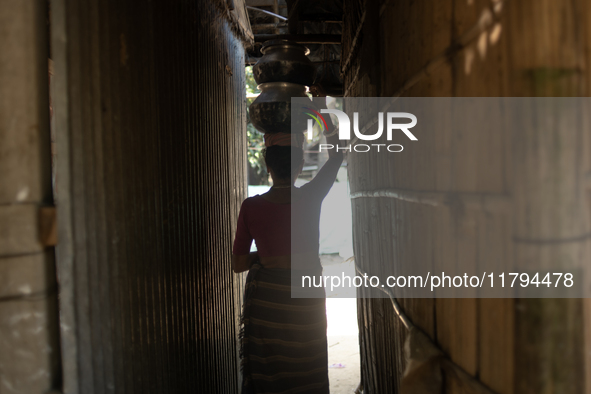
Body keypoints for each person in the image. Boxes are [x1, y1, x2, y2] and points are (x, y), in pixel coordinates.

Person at [232, 89, 343, 394]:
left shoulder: (251, 208)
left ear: (267, 167)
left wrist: (264, 258)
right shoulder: (311, 196)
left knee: (272, 372)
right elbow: (338, 155)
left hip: (269, 303)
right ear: (298, 168)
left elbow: (238, 264)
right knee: (307, 364)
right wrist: (320, 109)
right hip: (305, 299)